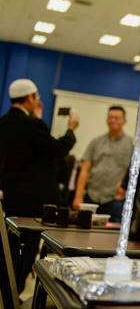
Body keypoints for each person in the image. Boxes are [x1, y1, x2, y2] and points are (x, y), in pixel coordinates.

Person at [0, 78, 78, 291]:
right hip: (34, 201)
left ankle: (6, 287)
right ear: (30, 97)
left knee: (12, 242)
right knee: (29, 246)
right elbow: (58, 149)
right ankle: (15, 289)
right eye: (36, 97)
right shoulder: (33, 125)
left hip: (12, 196)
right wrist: (71, 130)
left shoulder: (3, 123)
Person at [72, 106, 133, 222]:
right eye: (110, 117)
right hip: (92, 197)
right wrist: (78, 196)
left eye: (117, 118)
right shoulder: (96, 142)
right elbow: (84, 170)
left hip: (116, 200)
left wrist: (125, 187)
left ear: (124, 121)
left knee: (113, 232)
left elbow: (135, 172)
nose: (113, 120)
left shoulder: (132, 144)